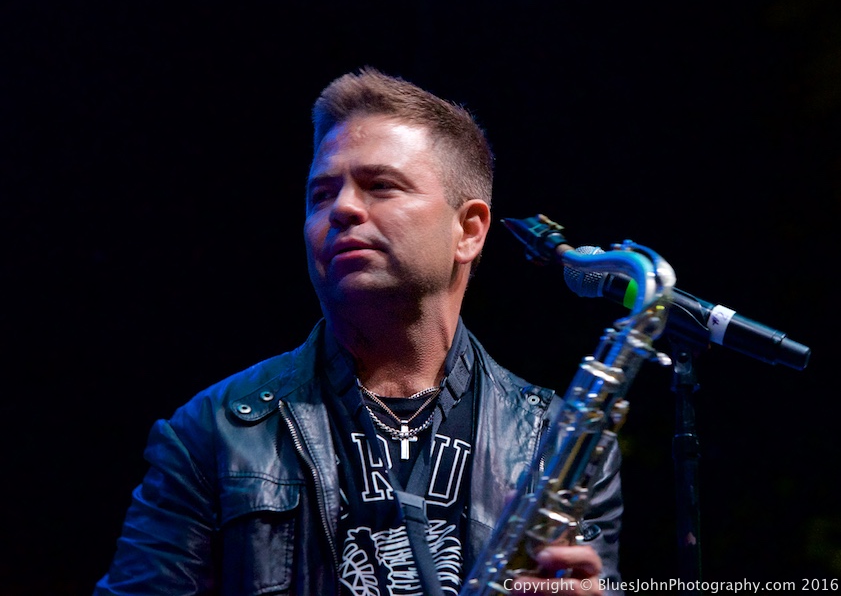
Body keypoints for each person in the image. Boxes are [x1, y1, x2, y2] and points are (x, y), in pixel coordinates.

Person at [94, 67, 623, 595]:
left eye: (380, 186)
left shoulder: (562, 444)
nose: (343, 208)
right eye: (321, 194)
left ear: (469, 230)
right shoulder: (210, 433)